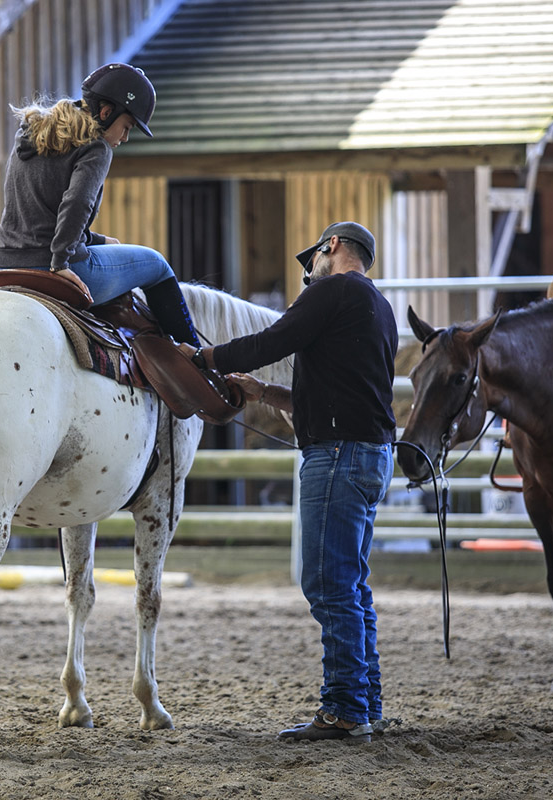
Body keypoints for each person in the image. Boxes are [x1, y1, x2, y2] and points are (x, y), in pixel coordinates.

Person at [179, 222, 398, 743]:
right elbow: (333, 394)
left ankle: (344, 709)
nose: (310, 272)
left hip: (338, 456)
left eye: (314, 259)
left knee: (327, 583)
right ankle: (365, 702)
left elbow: (270, 339)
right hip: (370, 454)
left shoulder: (333, 291)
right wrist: (263, 393)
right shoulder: (378, 309)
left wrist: (202, 358)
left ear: (333, 247)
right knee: (352, 584)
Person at [0, 63, 200, 347]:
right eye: (127, 127)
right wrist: (61, 263)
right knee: (158, 265)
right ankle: (199, 360)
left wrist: (97, 239)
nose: (125, 138)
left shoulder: (30, 133)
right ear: (106, 112)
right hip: (53, 266)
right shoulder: (96, 147)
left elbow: (39, 210)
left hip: (3, 265)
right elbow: (77, 202)